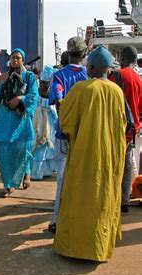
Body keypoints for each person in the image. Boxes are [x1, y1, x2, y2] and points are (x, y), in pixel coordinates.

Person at [53, 46, 126, 262]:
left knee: (79, 197)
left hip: (85, 154)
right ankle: (100, 246)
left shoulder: (82, 89)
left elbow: (65, 121)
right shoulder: (116, 91)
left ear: (92, 67)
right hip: (110, 154)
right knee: (103, 197)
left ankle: (75, 247)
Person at [47, 37, 88, 233]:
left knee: (62, 179)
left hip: (64, 134)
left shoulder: (59, 75)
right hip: (86, 134)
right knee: (85, 178)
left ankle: (57, 221)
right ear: (84, 53)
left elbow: (59, 104)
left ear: (68, 52)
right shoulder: (92, 76)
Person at [0, 48, 39, 197]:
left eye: (18, 58)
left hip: (20, 119)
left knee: (21, 149)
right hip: (4, 118)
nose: (15, 60)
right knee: (3, 151)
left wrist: (20, 99)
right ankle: (8, 184)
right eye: (13, 57)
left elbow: (34, 96)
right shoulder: (3, 77)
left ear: (23, 60)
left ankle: (26, 172)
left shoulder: (29, 77)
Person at [109, 46, 142, 213]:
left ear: (122, 58)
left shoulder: (117, 75)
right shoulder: (138, 78)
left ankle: (112, 199)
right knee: (127, 164)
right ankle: (124, 201)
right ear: (135, 60)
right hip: (133, 129)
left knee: (113, 163)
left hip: (117, 128)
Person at [31, 66, 58, 180]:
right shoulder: (35, 92)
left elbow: (55, 111)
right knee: (37, 146)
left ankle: (45, 171)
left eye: (47, 83)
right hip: (37, 122)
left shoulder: (53, 94)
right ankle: (36, 173)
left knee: (47, 145)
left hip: (49, 124)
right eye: (42, 83)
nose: (44, 85)